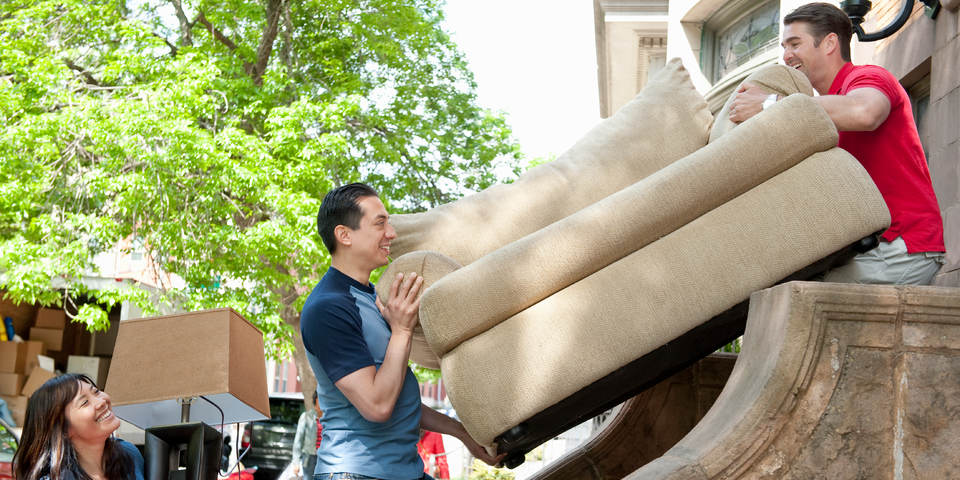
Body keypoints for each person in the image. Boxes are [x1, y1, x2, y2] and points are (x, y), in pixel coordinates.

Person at [728, 2, 945, 285]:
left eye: (795, 44)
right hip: (870, 249)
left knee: (794, 296)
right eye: (783, 46)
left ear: (830, 43)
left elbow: (864, 112)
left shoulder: (869, 76)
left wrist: (770, 104)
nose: (786, 55)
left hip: (902, 247)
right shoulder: (821, 108)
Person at [301, 183, 503, 479]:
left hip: (404, 471)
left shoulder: (372, 299)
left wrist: (464, 434)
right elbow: (377, 405)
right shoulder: (327, 308)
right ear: (344, 235)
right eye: (380, 223)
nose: (391, 234)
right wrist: (401, 331)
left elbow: (397, 398)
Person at [13, 373, 145, 480]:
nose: (101, 402)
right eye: (85, 402)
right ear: (63, 429)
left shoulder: (129, 454)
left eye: (97, 392)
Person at [291, 391, 323, 478]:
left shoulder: (329, 418)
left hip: (325, 458)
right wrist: (296, 463)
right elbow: (298, 441)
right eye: (320, 399)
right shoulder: (306, 417)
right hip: (310, 459)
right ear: (315, 401)